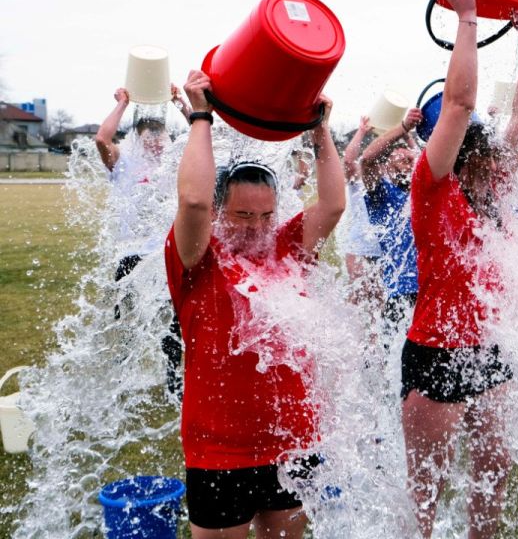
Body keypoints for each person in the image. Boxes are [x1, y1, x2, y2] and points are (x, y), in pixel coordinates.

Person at [166, 69, 345, 538]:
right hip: (220, 450)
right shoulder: (198, 258)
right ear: (222, 212)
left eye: (266, 215)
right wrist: (201, 116)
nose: (256, 227)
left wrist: (320, 131)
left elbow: (332, 205)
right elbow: (192, 202)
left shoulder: (287, 248)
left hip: (294, 440)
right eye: (243, 215)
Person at [401, 0, 518, 539]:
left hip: (490, 347)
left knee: (492, 471)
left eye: (483, 146)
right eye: (472, 146)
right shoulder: (432, 187)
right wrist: (466, 20)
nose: (485, 155)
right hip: (437, 350)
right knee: (425, 492)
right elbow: (459, 103)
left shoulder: (494, 185)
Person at [95, 84, 189, 397]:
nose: (156, 141)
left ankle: (173, 378)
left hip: (165, 254)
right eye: (148, 135)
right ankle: (121, 373)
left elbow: (203, 138)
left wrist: (181, 103)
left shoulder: (174, 163)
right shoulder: (122, 162)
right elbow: (101, 139)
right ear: (138, 137)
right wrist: (122, 104)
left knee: (173, 323)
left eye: (160, 134)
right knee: (125, 317)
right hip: (131, 254)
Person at [360, 107, 424, 335]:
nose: (409, 158)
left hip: (431, 292)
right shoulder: (382, 194)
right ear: (387, 165)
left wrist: (410, 138)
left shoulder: (423, 193)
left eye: (411, 157)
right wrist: (404, 127)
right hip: (400, 293)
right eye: (401, 157)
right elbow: (367, 159)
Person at [339, 116, 384, 320]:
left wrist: (408, 136)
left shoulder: (390, 182)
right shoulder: (358, 180)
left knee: (380, 305)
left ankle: (376, 347)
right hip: (359, 248)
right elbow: (348, 160)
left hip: (384, 250)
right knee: (358, 300)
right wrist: (362, 131)